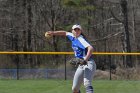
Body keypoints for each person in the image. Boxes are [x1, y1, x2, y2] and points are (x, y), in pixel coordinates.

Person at [45, 24, 96, 93]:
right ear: (72, 31)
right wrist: (53, 33)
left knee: (87, 82)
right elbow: (64, 33)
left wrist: (85, 60)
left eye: (78, 30)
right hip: (81, 65)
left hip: (88, 63)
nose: (77, 31)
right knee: (75, 88)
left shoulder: (81, 39)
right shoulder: (72, 36)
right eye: (75, 30)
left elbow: (91, 48)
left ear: (81, 31)